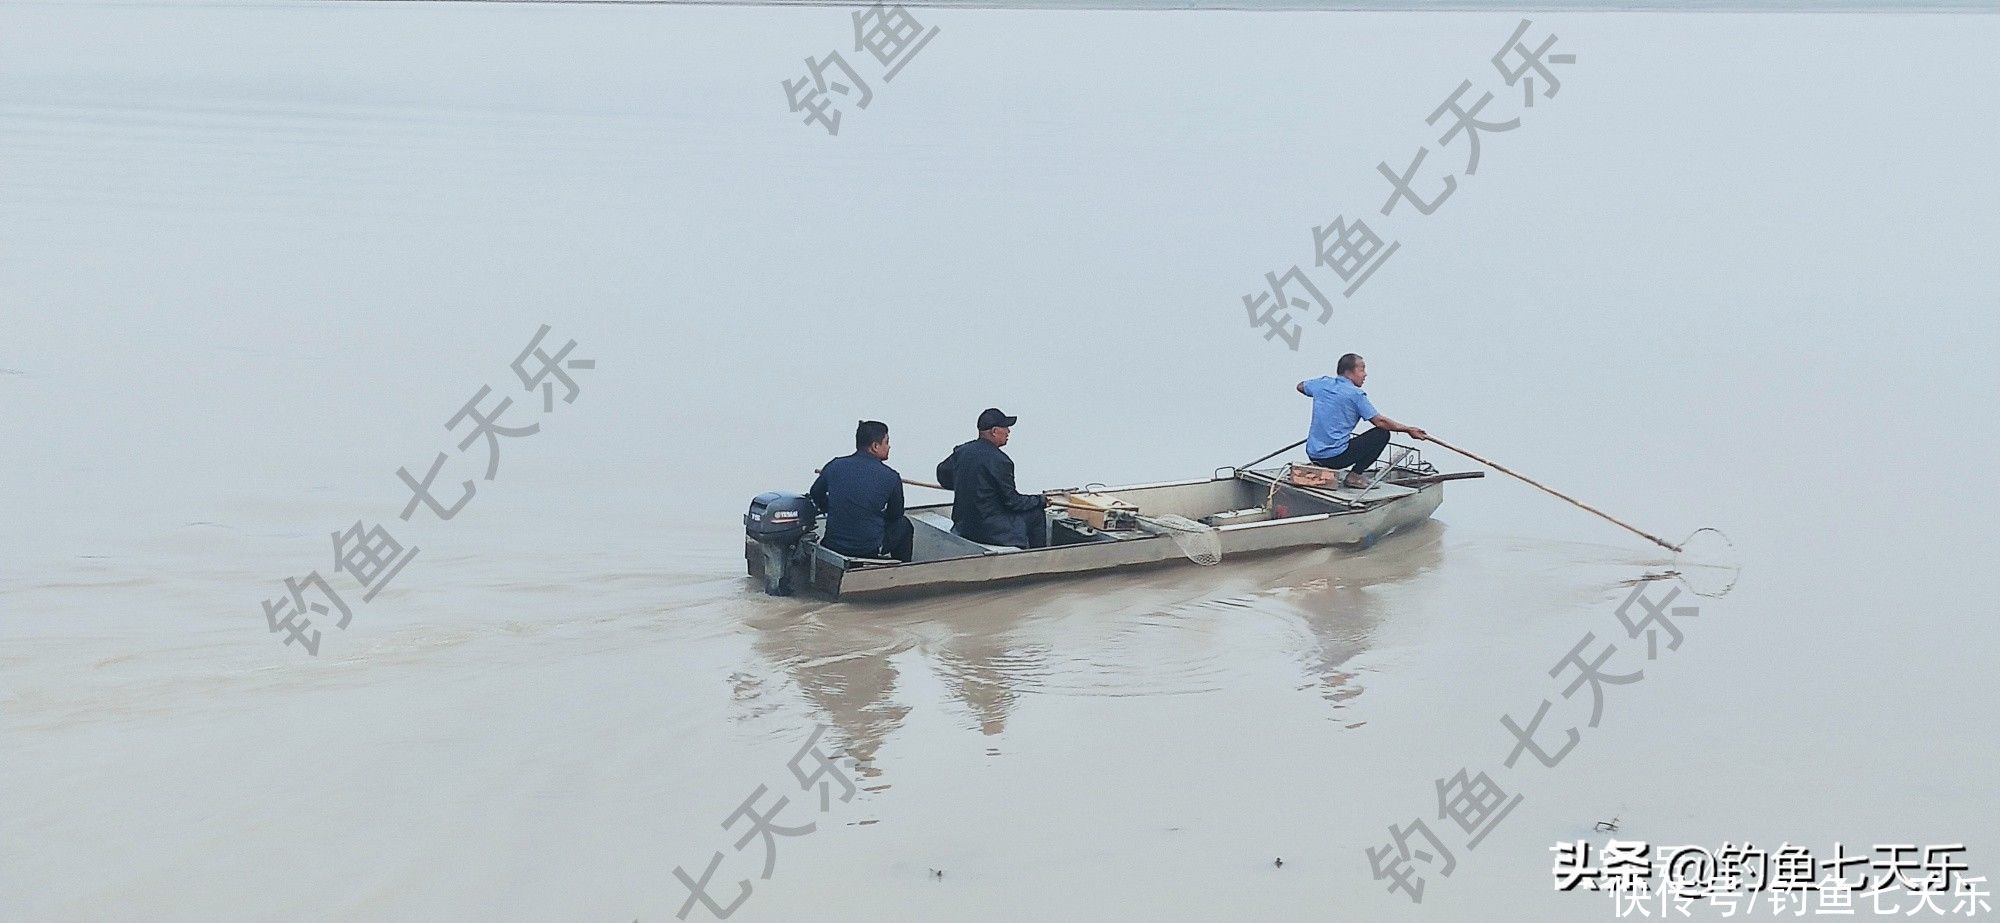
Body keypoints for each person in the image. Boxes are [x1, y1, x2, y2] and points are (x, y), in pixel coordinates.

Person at [1297, 353, 1428, 489]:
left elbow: (1300, 386)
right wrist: (1408, 429)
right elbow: (1380, 422)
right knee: (1382, 434)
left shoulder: (1323, 383)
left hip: (1314, 454)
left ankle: (1321, 465)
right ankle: (1354, 475)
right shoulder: (1355, 395)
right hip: (1335, 458)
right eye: (1361, 369)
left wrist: (1325, 398)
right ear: (1349, 372)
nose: (1365, 374)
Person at [935, 408, 1047, 549]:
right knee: (1036, 513)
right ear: (994, 431)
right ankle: (1038, 555)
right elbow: (1013, 502)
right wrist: (1040, 500)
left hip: (963, 526)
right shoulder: (1001, 461)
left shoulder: (961, 451)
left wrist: (963, 482)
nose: (1008, 432)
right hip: (987, 531)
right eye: (1005, 428)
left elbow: (942, 476)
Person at [808, 420, 913, 562]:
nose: (889, 447)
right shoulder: (891, 477)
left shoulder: (835, 465)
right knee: (904, 525)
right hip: (867, 550)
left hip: (833, 545)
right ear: (875, 446)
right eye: (886, 442)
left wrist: (832, 507)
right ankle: (901, 572)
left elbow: (815, 494)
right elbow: (896, 516)